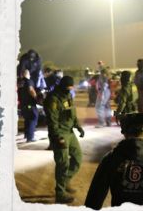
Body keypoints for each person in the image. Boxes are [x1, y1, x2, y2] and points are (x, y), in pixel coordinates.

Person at [43, 76, 85, 204]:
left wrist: (78, 126)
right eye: (67, 88)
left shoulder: (67, 96)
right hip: (60, 134)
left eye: (71, 88)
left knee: (78, 157)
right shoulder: (53, 99)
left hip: (70, 132)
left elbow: (72, 113)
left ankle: (65, 180)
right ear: (61, 86)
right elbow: (52, 120)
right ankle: (60, 192)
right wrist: (57, 137)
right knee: (63, 164)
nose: (69, 91)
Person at [18, 69, 38, 142]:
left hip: (23, 104)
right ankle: (30, 137)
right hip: (30, 104)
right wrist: (36, 97)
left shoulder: (20, 82)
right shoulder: (29, 81)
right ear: (27, 74)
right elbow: (31, 90)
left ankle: (26, 135)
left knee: (27, 119)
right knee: (33, 118)